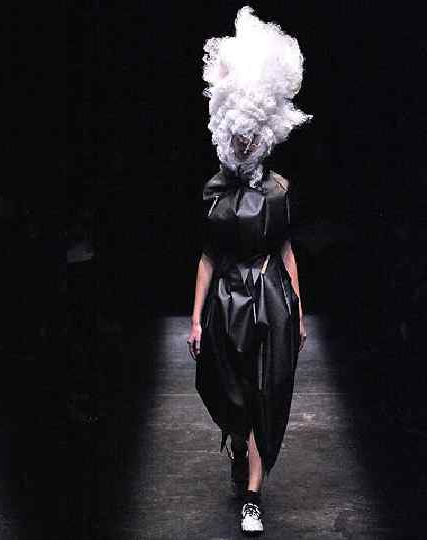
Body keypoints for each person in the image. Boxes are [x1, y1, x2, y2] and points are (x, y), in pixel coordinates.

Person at [187, 7, 309, 536]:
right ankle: (240, 452)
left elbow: (287, 252)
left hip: (271, 300)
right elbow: (207, 258)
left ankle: (253, 497)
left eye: (250, 135)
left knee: (263, 396)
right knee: (232, 396)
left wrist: (298, 312)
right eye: (236, 134)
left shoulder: (278, 192)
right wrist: (195, 319)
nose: (243, 142)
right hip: (227, 301)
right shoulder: (214, 192)